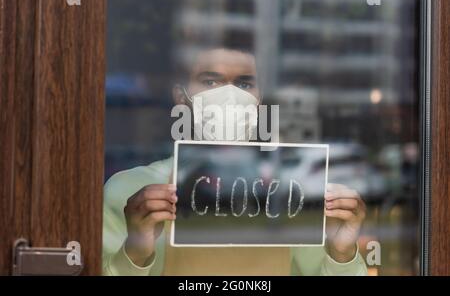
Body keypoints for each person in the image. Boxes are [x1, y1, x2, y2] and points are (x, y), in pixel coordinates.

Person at [102, 48, 368, 276]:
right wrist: (135, 252)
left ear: (259, 98)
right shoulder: (131, 192)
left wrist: (341, 254)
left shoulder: (289, 193)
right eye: (210, 82)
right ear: (182, 97)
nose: (229, 96)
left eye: (243, 84)